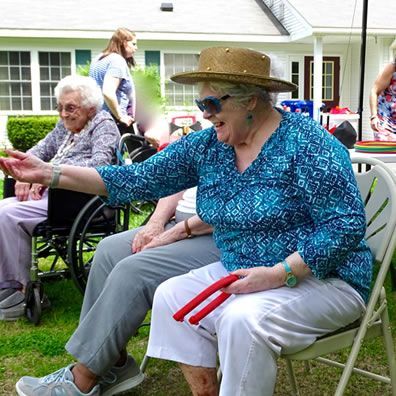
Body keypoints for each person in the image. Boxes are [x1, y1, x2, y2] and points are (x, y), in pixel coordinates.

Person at [0, 47, 372, 395]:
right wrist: (49, 173)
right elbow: (135, 180)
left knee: (242, 319)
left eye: (211, 103)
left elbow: (345, 225)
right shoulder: (211, 145)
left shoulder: (307, 143)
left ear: (251, 101)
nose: (204, 114)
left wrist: (279, 273)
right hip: (243, 268)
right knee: (171, 297)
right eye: (200, 103)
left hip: (323, 277)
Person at [0, 75, 120, 321]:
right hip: (53, 194)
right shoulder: (64, 127)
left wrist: (48, 175)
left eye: (70, 108)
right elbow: (40, 150)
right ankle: (7, 282)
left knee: (8, 214)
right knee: (3, 208)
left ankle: (16, 289)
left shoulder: (103, 125)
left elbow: (100, 166)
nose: (63, 114)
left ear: (90, 108)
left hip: (79, 199)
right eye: (60, 107)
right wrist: (23, 171)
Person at [89, 27, 137, 135]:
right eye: (133, 44)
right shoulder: (117, 60)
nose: (136, 48)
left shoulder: (98, 59)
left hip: (96, 120)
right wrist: (121, 117)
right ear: (124, 43)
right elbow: (108, 92)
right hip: (112, 122)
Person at [369, 58, 396, 140]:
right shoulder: (392, 68)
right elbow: (374, 91)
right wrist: (373, 116)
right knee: (387, 150)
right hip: (386, 121)